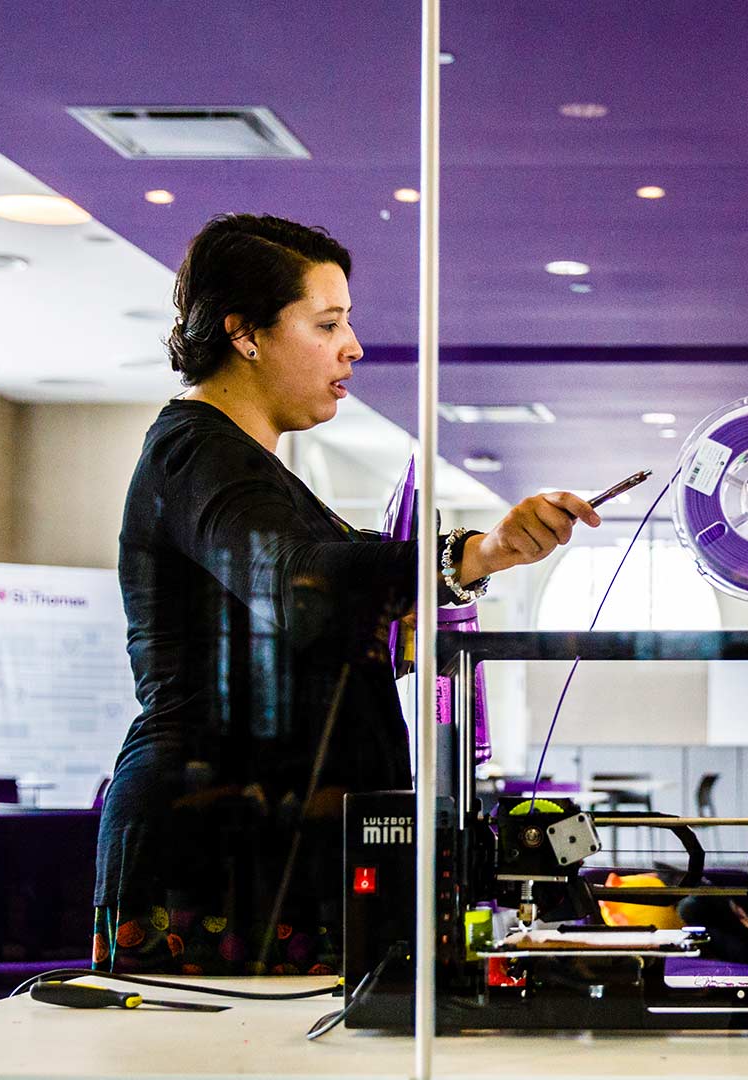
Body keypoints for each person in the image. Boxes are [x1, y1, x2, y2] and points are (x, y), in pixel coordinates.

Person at [94, 213, 600, 975]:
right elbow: (298, 579)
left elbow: (326, 588)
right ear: (246, 334)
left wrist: (475, 559)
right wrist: (474, 552)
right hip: (218, 841)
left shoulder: (248, 470)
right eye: (327, 324)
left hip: (269, 834)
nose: (353, 347)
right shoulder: (196, 452)